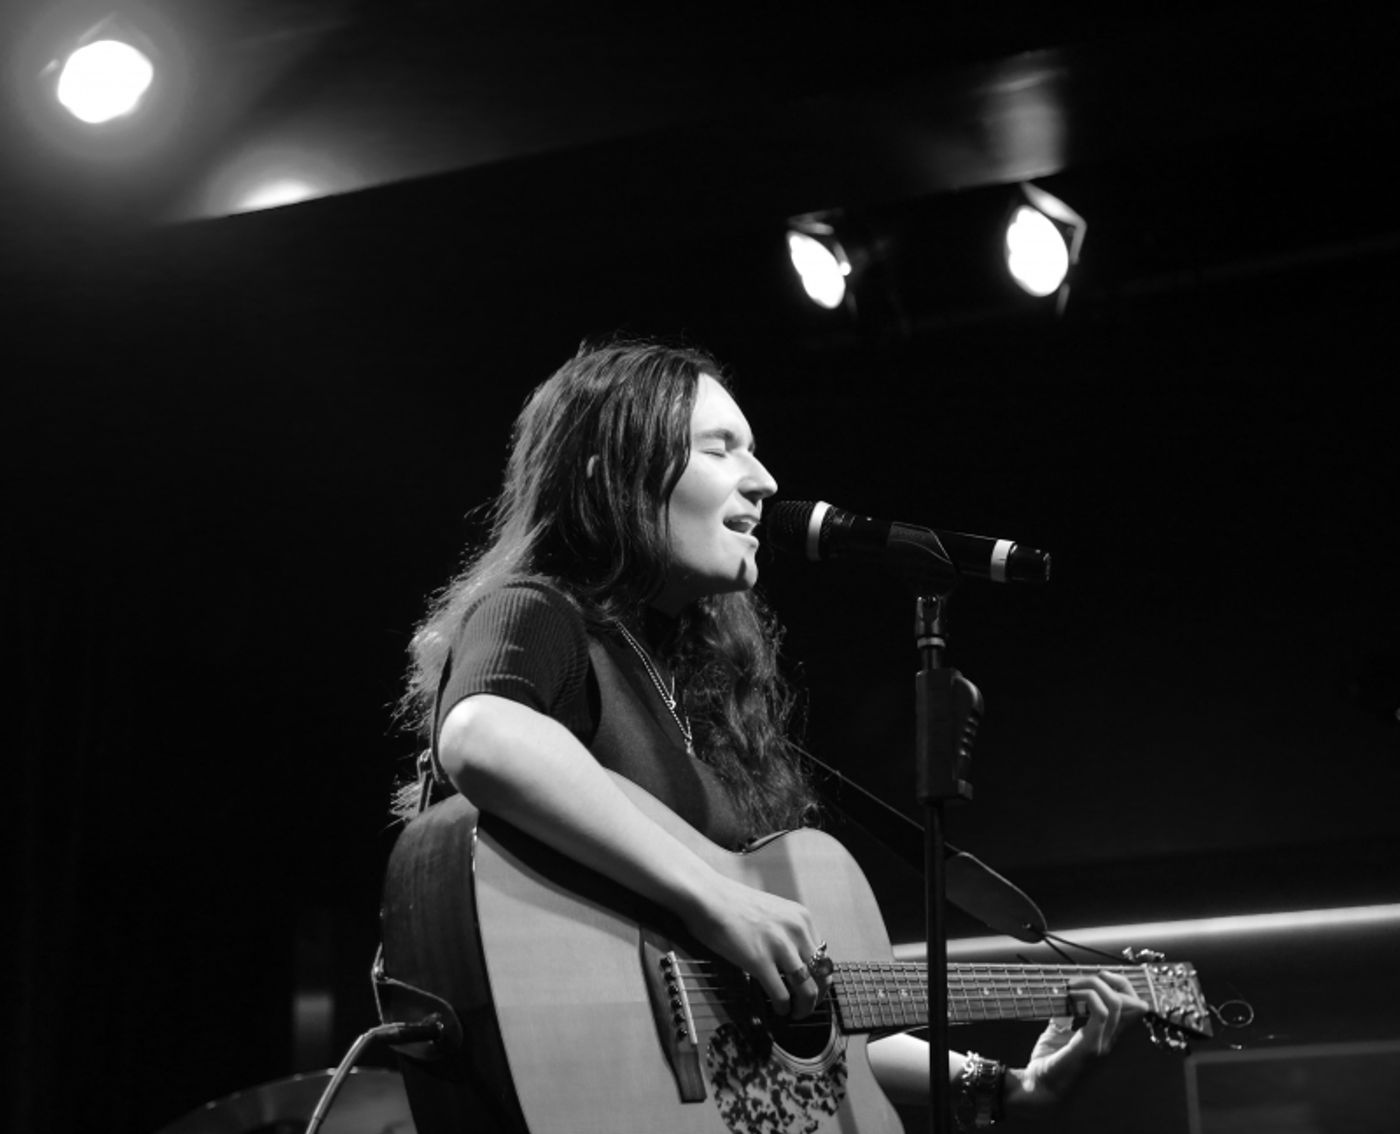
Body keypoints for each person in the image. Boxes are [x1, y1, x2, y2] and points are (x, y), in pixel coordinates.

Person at [398, 337, 1147, 1129]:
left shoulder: (696, 700)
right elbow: (482, 731)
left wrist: (996, 1086)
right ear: (610, 472)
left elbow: (781, 1019)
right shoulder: (540, 612)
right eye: (722, 448)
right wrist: (719, 899)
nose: (766, 481)